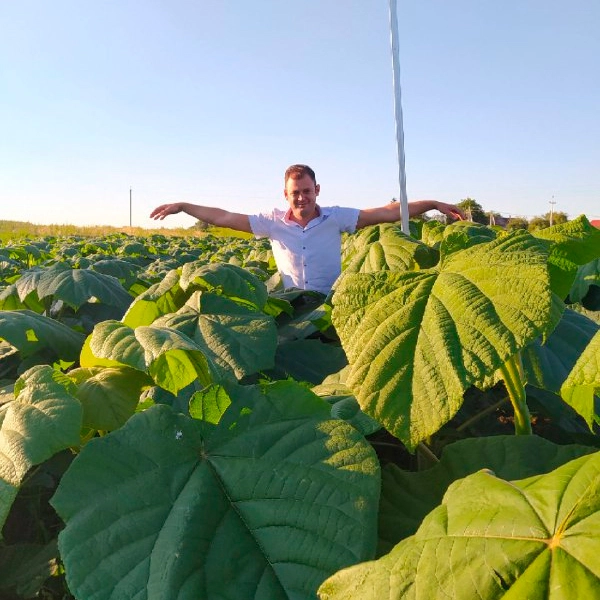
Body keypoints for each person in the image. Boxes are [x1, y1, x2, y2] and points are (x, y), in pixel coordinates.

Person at [150, 164, 464, 295]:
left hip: (330, 303)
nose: (301, 197)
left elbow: (386, 212)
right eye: (295, 192)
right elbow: (226, 217)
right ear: (286, 195)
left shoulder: (336, 218)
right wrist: (184, 206)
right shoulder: (270, 221)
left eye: (306, 191)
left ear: (316, 190)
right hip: (291, 307)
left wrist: (432, 203)